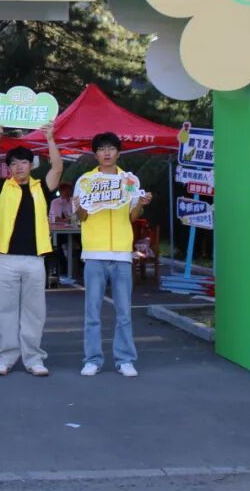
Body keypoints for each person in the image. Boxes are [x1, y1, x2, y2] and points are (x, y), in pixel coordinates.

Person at [0, 122, 62, 377]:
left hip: (35, 259)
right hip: (6, 258)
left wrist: (50, 139)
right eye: (14, 163)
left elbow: (57, 168)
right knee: (4, 310)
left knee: (34, 312)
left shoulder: (42, 188)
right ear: (9, 168)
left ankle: (34, 358)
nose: (19, 167)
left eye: (24, 162)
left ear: (31, 165)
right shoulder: (2, 187)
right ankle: (4, 358)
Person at [76, 132, 152, 378]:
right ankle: (92, 359)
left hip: (121, 253)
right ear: (95, 154)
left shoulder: (128, 180)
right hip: (94, 252)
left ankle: (125, 359)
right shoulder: (86, 181)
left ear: (118, 153)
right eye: (101, 149)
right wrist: (79, 207)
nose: (106, 153)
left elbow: (133, 215)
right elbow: (82, 216)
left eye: (111, 148)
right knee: (92, 312)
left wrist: (140, 202)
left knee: (124, 312)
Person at [48, 182, 76, 280]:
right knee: (56, 246)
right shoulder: (55, 202)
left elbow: (75, 216)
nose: (66, 192)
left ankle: (76, 269)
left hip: (73, 230)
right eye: (64, 190)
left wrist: (71, 220)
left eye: (68, 190)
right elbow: (55, 218)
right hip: (58, 231)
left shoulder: (74, 201)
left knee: (79, 243)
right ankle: (62, 268)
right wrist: (67, 220)